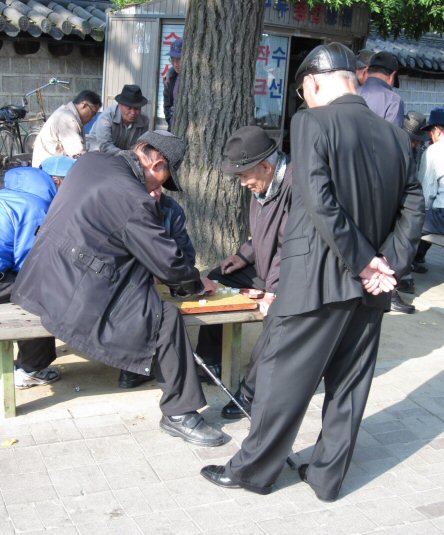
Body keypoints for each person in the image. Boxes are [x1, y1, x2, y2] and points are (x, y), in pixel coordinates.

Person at [200, 43, 424, 499]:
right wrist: (388, 266)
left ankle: (253, 472)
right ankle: (326, 477)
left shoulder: (310, 122)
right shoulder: (398, 136)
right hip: (370, 289)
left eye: (303, 91)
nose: (304, 100)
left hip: (317, 278)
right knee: (350, 384)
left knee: (283, 376)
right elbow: (414, 205)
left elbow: (320, 200)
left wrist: (365, 262)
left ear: (316, 82)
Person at [12, 130, 224, 448]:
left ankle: (137, 370)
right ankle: (180, 413)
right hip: (72, 290)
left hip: (39, 276)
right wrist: (194, 282)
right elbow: (168, 264)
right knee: (165, 317)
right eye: (164, 181)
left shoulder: (93, 162)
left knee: (145, 297)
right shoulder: (131, 196)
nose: (160, 191)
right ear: (158, 166)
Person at [195, 126, 291, 409]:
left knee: (278, 318)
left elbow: (290, 249)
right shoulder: (263, 179)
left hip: (291, 276)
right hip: (264, 269)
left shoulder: (295, 186)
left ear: (265, 166)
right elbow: (262, 231)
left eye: (243, 175)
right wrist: (243, 256)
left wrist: (273, 291)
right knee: (215, 280)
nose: (241, 183)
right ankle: (209, 360)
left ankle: (252, 392)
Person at [0, 157, 76, 388]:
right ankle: (30, 368)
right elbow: (31, 265)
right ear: (57, 181)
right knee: (40, 294)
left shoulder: (12, 194)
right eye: (71, 183)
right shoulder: (36, 208)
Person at [118, 184, 196, 389]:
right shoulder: (124, 207)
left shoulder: (171, 209)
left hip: (164, 278)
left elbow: (185, 253)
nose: (155, 193)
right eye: (148, 188)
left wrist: (174, 274)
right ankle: (132, 369)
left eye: (158, 187)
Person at [394, 111, 429, 296]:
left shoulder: (413, 151)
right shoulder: (394, 148)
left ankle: (403, 276)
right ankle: (394, 287)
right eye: (413, 139)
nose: (416, 144)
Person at [32, 91, 101, 168]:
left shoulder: (68, 113)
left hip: (52, 164)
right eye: (93, 113)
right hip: (48, 169)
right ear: (84, 105)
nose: (92, 118)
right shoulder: (67, 118)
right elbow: (77, 151)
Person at [414, 107, 444, 265]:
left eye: (430, 133)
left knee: (411, 218)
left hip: (442, 216)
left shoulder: (434, 150)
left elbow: (426, 194)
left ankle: (406, 266)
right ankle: (418, 258)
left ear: (437, 131)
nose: (430, 137)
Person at [87, 85, 149, 154]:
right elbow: (105, 146)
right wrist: (127, 155)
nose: (133, 113)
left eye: (137, 108)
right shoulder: (107, 117)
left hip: (124, 157)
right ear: (120, 105)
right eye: (129, 108)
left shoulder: (144, 120)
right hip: (98, 154)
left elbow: (140, 145)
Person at [358, 51, 404, 128]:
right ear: (392, 76)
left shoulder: (352, 91)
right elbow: (392, 136)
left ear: (367, 71)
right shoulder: (393, 100)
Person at [163, 38, 183, 131]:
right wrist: (170, 123)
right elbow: (167, 105)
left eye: (179, 59)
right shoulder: (170, 79)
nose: (175, 64)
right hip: (173, 127)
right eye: (173, 60)